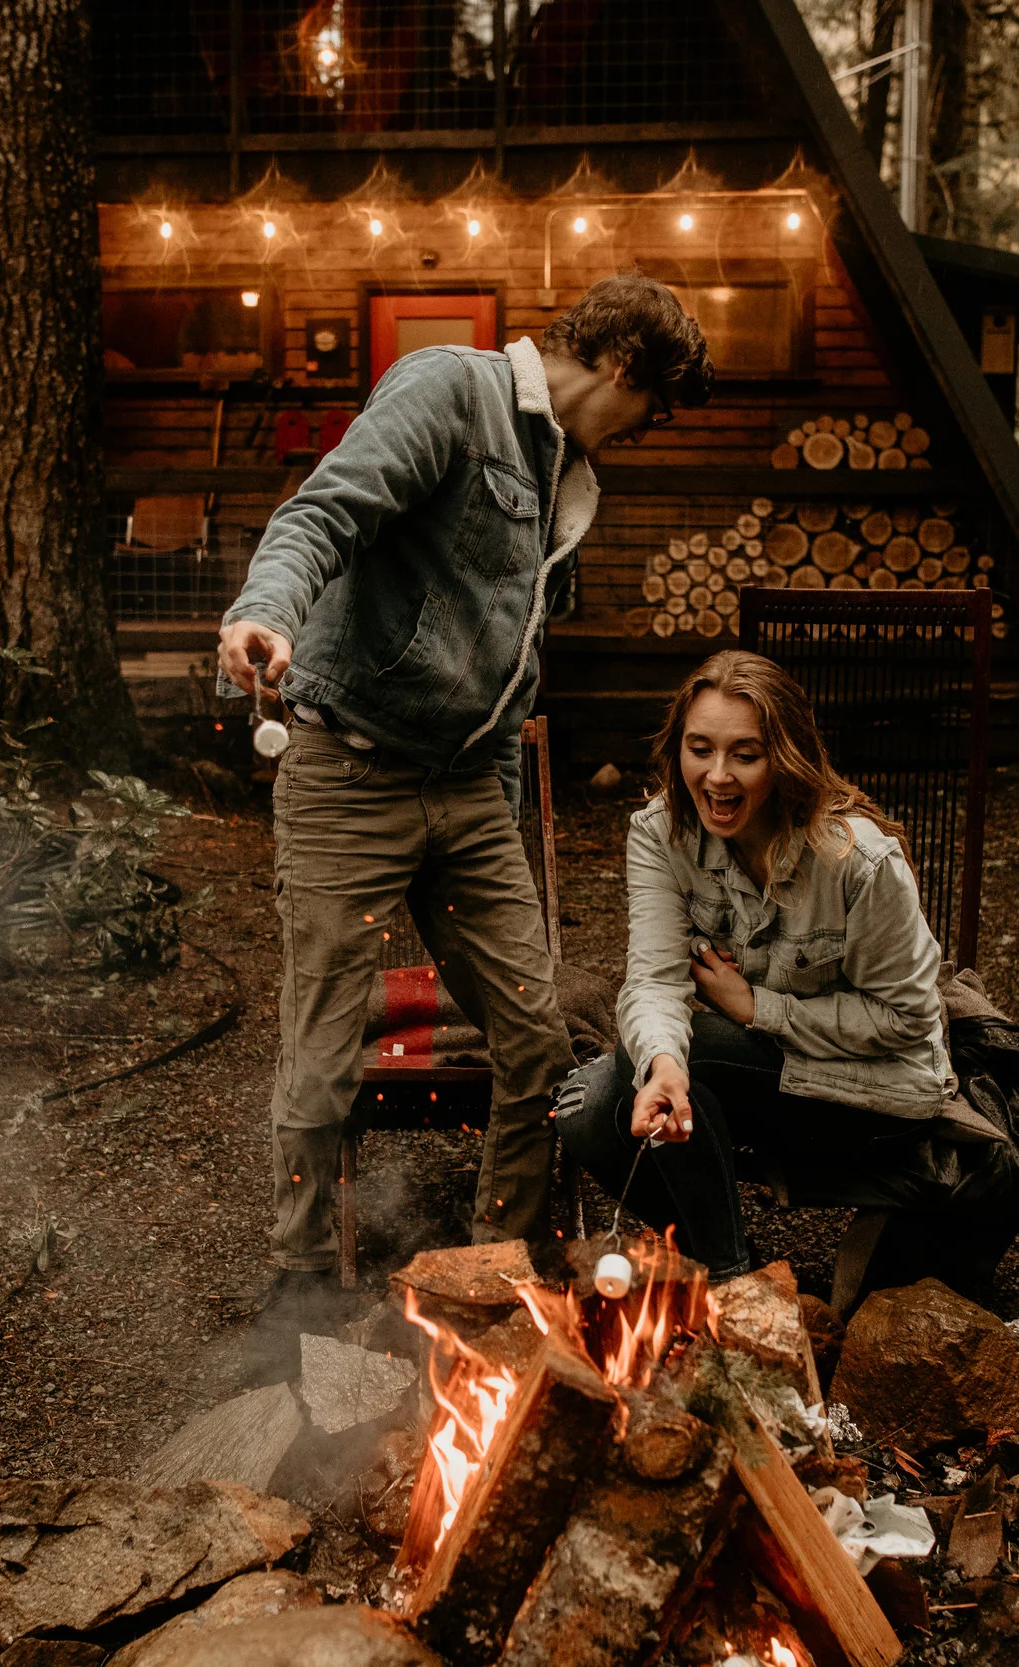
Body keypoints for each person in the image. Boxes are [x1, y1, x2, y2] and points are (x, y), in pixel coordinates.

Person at [217, 277, 715, 1354]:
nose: (645, 429)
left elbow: (509, 665)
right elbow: (321, 514)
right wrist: (263, 609)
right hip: (348, 770)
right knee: (324, 1031)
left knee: (534, 1033)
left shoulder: (564, 476)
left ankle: (496, 1269)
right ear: (628, 368)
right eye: (654, 406)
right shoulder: (453, 389)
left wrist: (493, 820)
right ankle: (299, 1276)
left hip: (466, 782)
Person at [557, 649, 1019, 1288]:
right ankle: (730, 1261)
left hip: (874, 1097)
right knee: (593, 1107)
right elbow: (653, 980)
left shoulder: (858, 862)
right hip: (764, 1076)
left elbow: (909, 1019)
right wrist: (660, 1065)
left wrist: (756, 1008)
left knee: (678, 1058)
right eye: (700, 749)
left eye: (744, 755)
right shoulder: (661, 833)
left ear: (784, 758)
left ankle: (732, 1290)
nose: (717, 776)